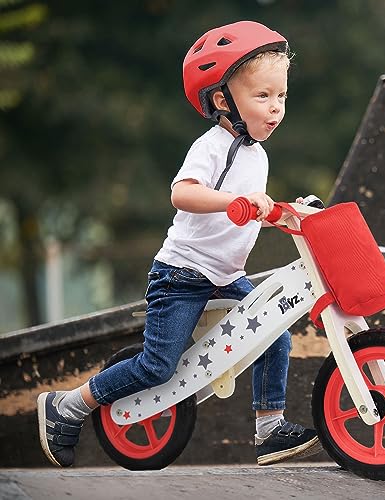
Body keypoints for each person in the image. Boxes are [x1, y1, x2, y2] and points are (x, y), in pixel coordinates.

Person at [37, 20, 322, 468]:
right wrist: (239, 201)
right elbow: (183, 193)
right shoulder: (212, 146)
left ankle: (269, 429)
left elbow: (241, 216)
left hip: (226, 277)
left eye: (281, 96)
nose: (275, 108)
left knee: (275, 333)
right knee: (157, 368)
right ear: (223, 99)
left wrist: (285, 213)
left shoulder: (257, 155)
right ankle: (67, 406)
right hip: (182, 276)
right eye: (262, 96)